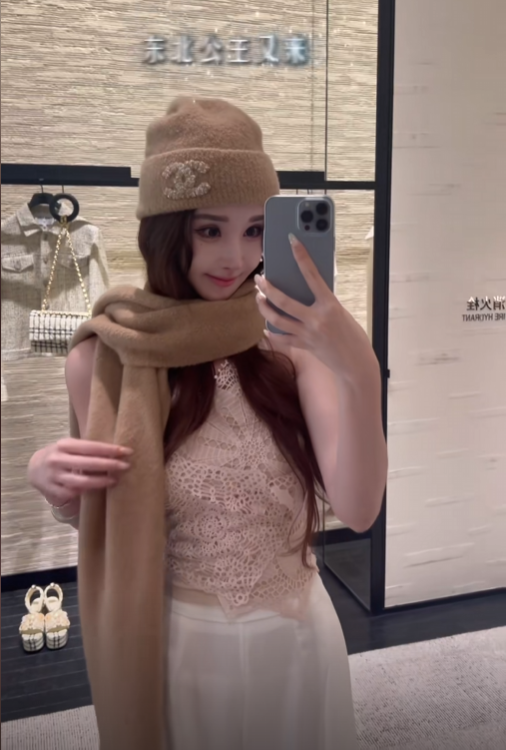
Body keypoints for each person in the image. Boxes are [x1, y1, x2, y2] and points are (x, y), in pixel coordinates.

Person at [27, 97, 388, 750]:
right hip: (177, 650)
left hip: (299, 641)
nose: (235, 256)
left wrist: (359, 370)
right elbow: (103, 518)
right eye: (210, 229)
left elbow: (359, 510)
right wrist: (52, 482)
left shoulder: (290, 347)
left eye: (255, 230)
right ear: (167, 230)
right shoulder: (104, 357)